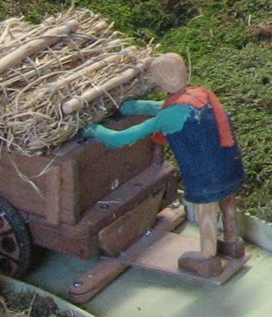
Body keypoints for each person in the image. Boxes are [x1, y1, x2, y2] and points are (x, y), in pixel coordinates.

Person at [83, 54, 244, 279]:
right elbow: (164, 106)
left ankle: (208, 257)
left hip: (205, 173)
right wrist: (132, 107)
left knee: (206, 209)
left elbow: (121, 138)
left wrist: (93, 129)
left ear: (160, 82)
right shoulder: (200, 96)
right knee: (227, 201)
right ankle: (233, 242)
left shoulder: (170, 116)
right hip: (229, 162)